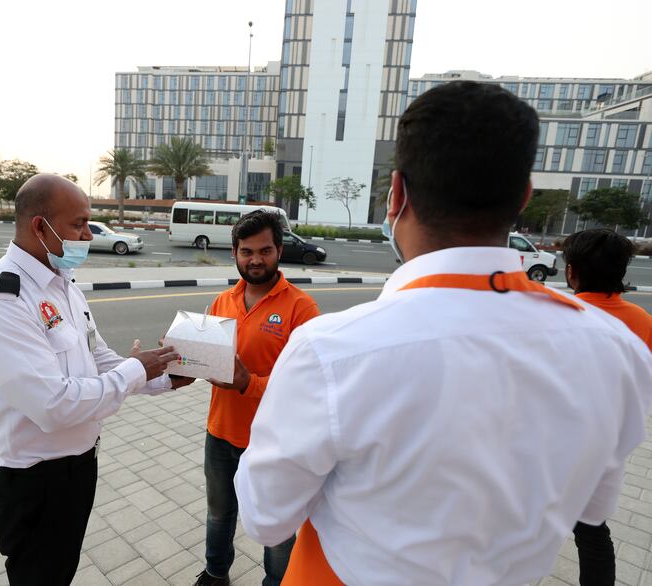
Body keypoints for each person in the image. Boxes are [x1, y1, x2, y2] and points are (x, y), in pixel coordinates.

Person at [234, 81, 652, 585]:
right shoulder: (619, 351)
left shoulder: (331, 351)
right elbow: (593, 508)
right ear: (523, 197)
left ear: (396, 194)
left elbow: (264, 518)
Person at [0, 174, 190, 585]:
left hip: (77, 471)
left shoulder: (62, 286)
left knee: (60, 571)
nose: (87, 234)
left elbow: (98, 358)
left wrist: (163, 377)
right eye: (78, 224)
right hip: (35, 485)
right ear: (39, 227)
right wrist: (138, 370)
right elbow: (53, 405)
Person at [194, 210, 319, 586]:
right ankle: (216, 574)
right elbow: (207, 361)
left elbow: (306, 388)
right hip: (220, 432)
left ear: (279, 250)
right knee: (219, 514)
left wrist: (249, 383)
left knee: (277, 526)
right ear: (234, 253)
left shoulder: (301, 308)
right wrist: (179, 361)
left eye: (264, 250)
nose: (256, 260)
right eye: (247, 251)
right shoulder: (221, 302)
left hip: (273, 441)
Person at [562, 228, 652, 586]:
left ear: (571, 271)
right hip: (604, 448)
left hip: (546, 444)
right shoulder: (644, 322)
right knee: (592, 532)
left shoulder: (556, 317)